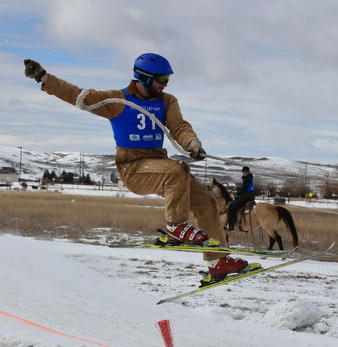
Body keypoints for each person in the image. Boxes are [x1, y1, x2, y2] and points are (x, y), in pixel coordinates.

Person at [23, 53, 248, 282]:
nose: (165, 84)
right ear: (144, 78)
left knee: (206, 201)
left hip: (160, 165)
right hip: (133, 169)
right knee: (177, 170)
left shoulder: (167, 101)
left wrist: (192, 143)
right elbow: (79, 96)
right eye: (161, 79)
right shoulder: (118, 100)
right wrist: (44, 78)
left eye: (167, 79)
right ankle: (176, 227)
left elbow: (179, 126)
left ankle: (217, 262)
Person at [226, 166, 255, 230]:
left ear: (248, 172)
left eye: (246, 172)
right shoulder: (248, 178)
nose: (244, 173)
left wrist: (237, 193)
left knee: (231, 207)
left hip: (247, 197)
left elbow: (243, 189)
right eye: (243, 172)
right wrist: (238, 188)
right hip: (248, 196)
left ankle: (231, 225)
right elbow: (244, 187)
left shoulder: (248, 179)